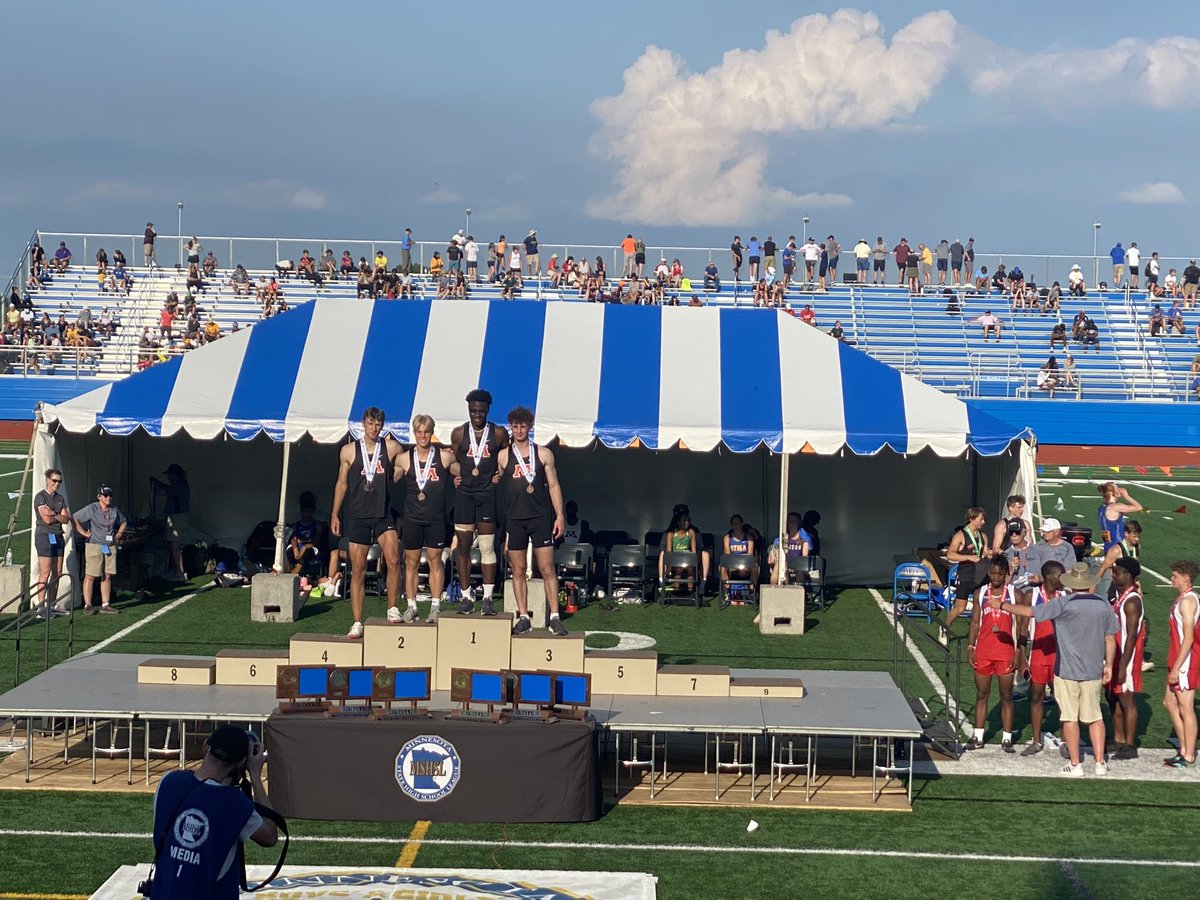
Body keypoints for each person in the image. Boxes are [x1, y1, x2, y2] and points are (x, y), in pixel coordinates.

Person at [991, 561, 1118, 776]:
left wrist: (1002, 606)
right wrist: (1109, 666)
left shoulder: (1064, 603)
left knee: (1069, 717)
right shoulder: (1102, 604)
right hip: (1092, 669)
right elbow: (1111, 638)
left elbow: (1030, 612)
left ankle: (1076, 764)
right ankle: (1099, 763)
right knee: (1095, 717)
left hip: (1067, 669)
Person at [149, 725, 277, 899]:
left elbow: (203, 795)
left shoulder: (167, 782)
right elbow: (270, 836)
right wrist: (255, 774)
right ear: (240, 762)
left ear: (205, 746)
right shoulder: (235, 803)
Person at [330, 407, 404, 639]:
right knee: (358, 569)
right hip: (359, 516)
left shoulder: (391, 447)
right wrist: (335, 514)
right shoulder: (348, 451)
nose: (374, 428)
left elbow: (405, 465)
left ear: (383, 425)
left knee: (393, 559)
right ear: (363, 424)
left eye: (378, 424)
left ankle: (392, 608)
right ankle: (357, 621)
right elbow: (341, 483)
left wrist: (391, 481)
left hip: (383, 514)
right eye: (371, 424)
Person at [497, 406, 567, 636]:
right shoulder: (503, 455)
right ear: (511, 427)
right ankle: (524, 616)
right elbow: (497, 481)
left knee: (547, 568)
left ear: (530, 427)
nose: (518, 430)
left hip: (539, 517)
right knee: (518, 569)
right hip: (515, 518)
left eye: (523, 426)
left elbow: (554, 485)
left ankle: (555, 616)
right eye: (515, 426)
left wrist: (560, 516)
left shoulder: (544, 454)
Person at [450, 390, 509, 616]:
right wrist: (457, 474)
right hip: (464, 495)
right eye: (473, 410)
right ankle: (465, 598)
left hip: (487, 495)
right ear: (468, 410)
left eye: (481, 410)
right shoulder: (458, 434)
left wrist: (501, 474)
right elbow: (454, 460)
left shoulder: (498, 433)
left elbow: (507, 458)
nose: (476, 414)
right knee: (463, 548)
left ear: (488, 409)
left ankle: (487, 599)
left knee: (486, 547)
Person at [395, 414, 455, 624]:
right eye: (419, 432)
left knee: (435, 561)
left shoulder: (444, 457)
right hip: (412, 517)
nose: (422, 436)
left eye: (426, 431)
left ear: (432, 433)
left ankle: (435, 606)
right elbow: (388, 479)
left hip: (436, 518)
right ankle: (411, 606)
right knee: (410, 562)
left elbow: (461, 470)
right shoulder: (404, 458)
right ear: (414, 433)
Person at [965, 555, 1020, 752]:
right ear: (988, 573)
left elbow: (1022, 627)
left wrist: (1020, 652)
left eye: (1000, 573)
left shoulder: (1015, 594)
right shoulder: (980, 593)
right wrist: (971, 646)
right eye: (993, 573)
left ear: (1006, 574)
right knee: (982, 694)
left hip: (1006, 652)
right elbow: (974, 622)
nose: (996, 577)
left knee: (1006, 696)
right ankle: (978, 735)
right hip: (984, 651)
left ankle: (1007, 737)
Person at [1015, 560, 1067, 756]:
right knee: (1036, 696)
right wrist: (1021, 656)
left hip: (1060, 654)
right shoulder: (1032, 595)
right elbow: (1022, 627)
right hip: (1038, 652)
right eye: (1060, 576)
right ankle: (1037, 740)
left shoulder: (1065, 596)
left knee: (1062, 698)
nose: (1063, 579)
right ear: (1048, 577)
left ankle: (1066, 741)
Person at [1106, 557, 1145, 760]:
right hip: (1117, 655)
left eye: (1117, 572)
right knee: (1113, 697)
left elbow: (1131, 635)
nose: (1113, 575)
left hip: (1126, 658)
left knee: (1126, 698)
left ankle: (1130, 744)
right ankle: (1119, 739)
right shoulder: (1122, 597)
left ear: (1128, 575)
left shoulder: (1131, 601)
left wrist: (1123, 665)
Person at [1163, 560, 1199, 768]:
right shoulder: (1185, 598)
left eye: (1175, 575)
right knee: (1169, 702)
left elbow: (1189, 638)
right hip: (1177, 658)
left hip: (1185, 661)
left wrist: (1177, 668)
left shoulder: (1188, 601)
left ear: (1186, 578)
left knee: (1186, 707)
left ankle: (1188, 755)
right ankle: (1185, 748)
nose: (1171, 578)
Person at [73, 485, 128, 614]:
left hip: (109, 546)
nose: (109, 498)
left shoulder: (114, 510)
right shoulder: (92, 508)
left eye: (110, 495)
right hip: (94, 545)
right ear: (99, 497)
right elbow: (74, 517)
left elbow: (124, 521)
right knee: (91, 575)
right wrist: (83, 532)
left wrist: (119, 534)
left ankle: (106, 604)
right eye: (106, 495)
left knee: (107, 575)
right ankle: (87, 604)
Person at [33, 468, 71, 618]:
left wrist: (54, 514)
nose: (57, 484)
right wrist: (57, 516)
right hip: (44, 536)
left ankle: (52, 604)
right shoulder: (40, 497)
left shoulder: (60, 498)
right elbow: (46, 520)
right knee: (45, 572)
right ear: (48, 480)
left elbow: (66, 518)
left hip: (57, 535)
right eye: (54, 480)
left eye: (59, 481)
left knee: (58, 572)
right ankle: (41, 607)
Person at [944, 507, 990, 628]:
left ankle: (977, 632)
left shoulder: (983, 536)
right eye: (981, 519)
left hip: (980, 574)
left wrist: (991, 553)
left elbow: (985, 552)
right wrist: (969, 557)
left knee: (980, 604)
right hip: (965, 574)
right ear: (972, 519)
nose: (983, 522)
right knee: (960, 607)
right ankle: (945, 626)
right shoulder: (960, 536)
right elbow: (950, 554)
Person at [150, 464, 191, 581]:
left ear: (175, 475)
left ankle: (180, 573)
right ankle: (175, 571)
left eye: (169, 475)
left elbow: (166, 492)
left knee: (175, 546)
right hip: (176, 517)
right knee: (174, 546)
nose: (168, 477)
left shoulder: (180, 484)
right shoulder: (180, 484)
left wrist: (156, 483)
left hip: (177, 518)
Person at [1094, 518, 1141, 601]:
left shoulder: (1136, 547)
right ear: (1126, 534)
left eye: (1138, 536)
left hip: (1130, 585)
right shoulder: (1116, 550)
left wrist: (1139, 586)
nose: (1137, 539)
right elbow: (1102, 569)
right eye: (1134, 536)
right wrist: (1092, 588)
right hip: (1118, 587)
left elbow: (1134, 570)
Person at [1026, 517, 1078, 587]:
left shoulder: (1067, 547)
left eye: (1047, 531)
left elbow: (1069, 571)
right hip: (1042, 586)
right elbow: (1034, 570)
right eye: (1043, 531)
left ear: (1056, 532)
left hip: (1062, 585)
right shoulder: (1036, 547)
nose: (1044, 533)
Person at [287, 491, 327, 575]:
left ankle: (294, 573)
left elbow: (316, 541)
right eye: (305, 512)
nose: (306, 514)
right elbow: (293, 538)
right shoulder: (295, 525)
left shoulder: (317, 525)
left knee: (307, 553)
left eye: (308, 512)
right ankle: (285, 571)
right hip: (297, 547)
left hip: (310, 548)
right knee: (288, 553)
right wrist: (295, 548)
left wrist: (305, 547)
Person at [721, 514, 758, 604]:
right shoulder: (727, 538)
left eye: (737, 523)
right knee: (722, 567)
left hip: (746, 565)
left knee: (756, 567)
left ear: (742, 524)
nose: (736, 526)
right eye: (734, 524)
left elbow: (750, 556)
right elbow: (727, 556)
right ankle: (727, 592)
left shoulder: (749, 538)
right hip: (732, 565)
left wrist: (743, 567)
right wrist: (738, 567)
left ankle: (751, 591)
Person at [1096, 482, 1142, 552]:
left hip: (1108, 546)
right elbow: (1138, 507)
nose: (1119, 490)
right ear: (1111, 493)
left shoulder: (1101, 508)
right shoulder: (1115, 507)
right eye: (1117, 488)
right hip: (1118, 548)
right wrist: (1126, 495)